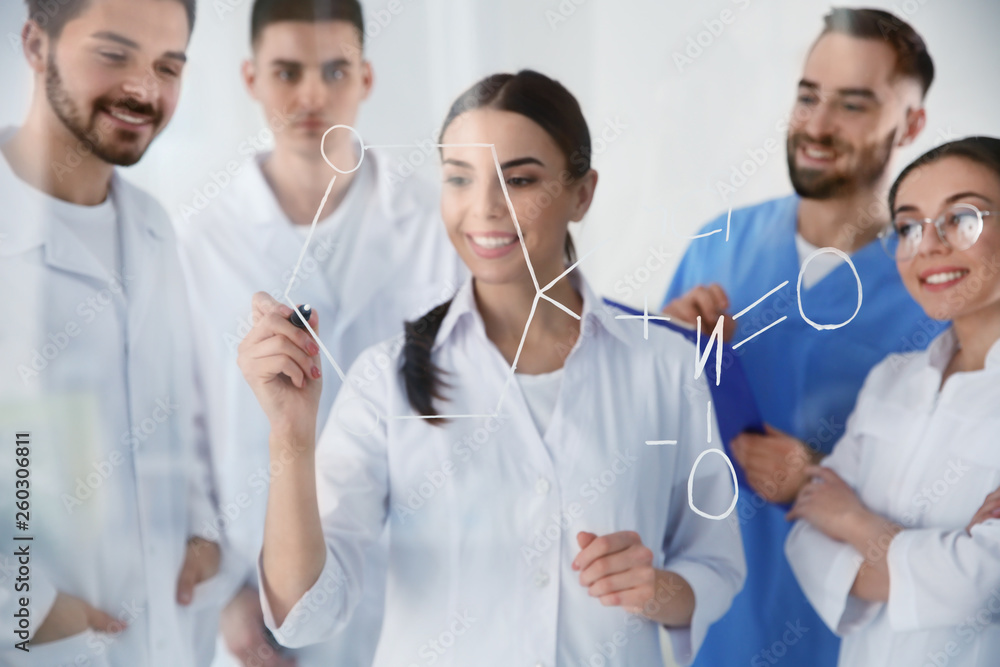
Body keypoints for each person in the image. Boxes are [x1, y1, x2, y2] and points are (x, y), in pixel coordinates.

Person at [237, 70, 745, 666]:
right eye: (459, 179)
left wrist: (656, 590)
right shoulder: (383, 382)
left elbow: (716, 565)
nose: (484, 209)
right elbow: (303, 614)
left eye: (520, 179)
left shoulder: (664, 366)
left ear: (582, 193)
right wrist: (290, 433)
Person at [174, 1, 464, 665]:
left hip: (417, 583)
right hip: (260, 597)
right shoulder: (203, 240)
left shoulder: (432, 221)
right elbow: (177, 428)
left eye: (335, 70)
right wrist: (225, 593)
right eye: (287, 71)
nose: (311, 94)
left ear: (366, 78)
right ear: (250, 78)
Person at [660, 7, 947, 666]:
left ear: (911, 124)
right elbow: (642, 445)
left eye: (851, 104)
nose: (816, 126)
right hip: (710, 631)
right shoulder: (717, 244)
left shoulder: (933, 288)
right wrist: (662, 356)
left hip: (849, 636)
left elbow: (957, 517)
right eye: (808, 96)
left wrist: (818, 481)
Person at [0, 0, 222, 665]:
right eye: (113, 53)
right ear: (36, 45)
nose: (144, 89)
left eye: (167, 65)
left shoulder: (154, 228)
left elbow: (183, 413)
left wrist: (203, 530)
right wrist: (29, 606)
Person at [785, 135, 1000, 666]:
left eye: (962, 217)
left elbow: (982, 587)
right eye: (907, 226)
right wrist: (941, 564)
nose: (927, 245)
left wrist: (857, 524)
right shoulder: (891, 380)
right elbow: (807, 534)